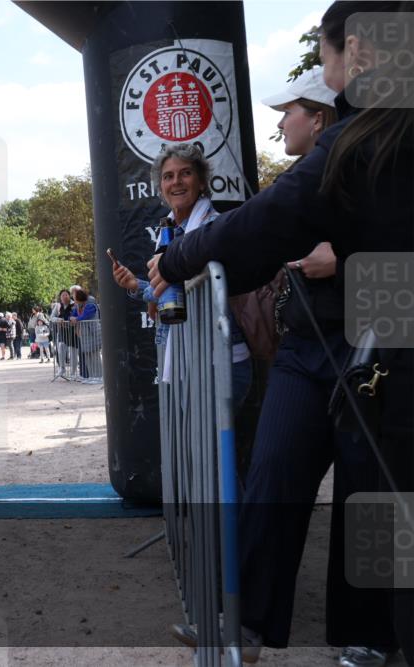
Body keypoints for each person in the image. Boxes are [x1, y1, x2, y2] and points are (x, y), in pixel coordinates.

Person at [150, 3, 412, 664]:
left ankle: (368, 637)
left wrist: (180, 259)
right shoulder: (361, 134)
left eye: (321, 65)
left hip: (380, 349)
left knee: (369, 491)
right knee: (275, 473)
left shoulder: (367, 136)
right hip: (311, 343)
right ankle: (249, 621)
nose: (286, 117)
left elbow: (267, 223)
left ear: (354, 52)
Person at [111, 143, 253, 408]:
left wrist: (149, 288)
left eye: (185, 173)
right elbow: (174, 293)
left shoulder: (213, 228)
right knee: (198, 448)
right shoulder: (170, 233)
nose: (176, 181)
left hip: (218, 362)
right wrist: (136, 284)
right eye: (168, 176)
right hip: (191, 361)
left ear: (201, 182)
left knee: (211, 448)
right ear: (161, 189)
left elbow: (195, 289)